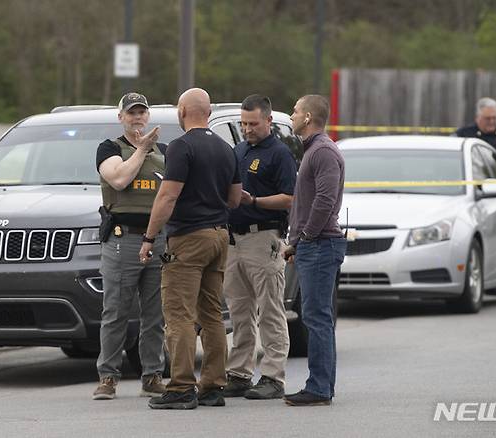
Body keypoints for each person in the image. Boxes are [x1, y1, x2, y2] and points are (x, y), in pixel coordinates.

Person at [140, 88, 242, 409]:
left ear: (182, 111)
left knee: (179, 314)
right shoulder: (227, 149)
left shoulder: (181, 147)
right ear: (208, 112)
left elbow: (167, 196)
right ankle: (213, 385)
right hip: (219, 235)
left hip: (188, 238)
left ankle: (181, 386)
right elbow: (235, 198)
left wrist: (148, 237)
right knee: (211, 313)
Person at [92, 92, 167, 400]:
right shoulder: (110, 149)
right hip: (123, 239)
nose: (137, 117)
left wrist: (151, 149)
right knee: (116, 310)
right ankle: (108, 376)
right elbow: (120, 180)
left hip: (158, 238)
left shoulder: (164, 152)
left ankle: (152, 375)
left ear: (148, 116)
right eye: (131, 113)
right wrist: (141, 150)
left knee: (155, 314)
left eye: (142, 112)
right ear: (120, 117)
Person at [222, 95, 297, 400]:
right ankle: (239, 373)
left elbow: (290, 198)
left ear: (268, 120)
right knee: (239, 311)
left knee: (270, 310)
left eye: (253, 123)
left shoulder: (279, 154)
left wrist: (254, 201)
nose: (247, 128)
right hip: (234, 240)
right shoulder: (239, 150)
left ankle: (273, 376)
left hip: (263, 238)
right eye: (243, 123)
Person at [282, 95, 346, 407]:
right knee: (316, 316)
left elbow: (325, 199)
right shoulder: (314, 150)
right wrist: (296, 242)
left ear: (307, 117)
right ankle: (321, 385)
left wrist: (305, 237)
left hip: (320, 246)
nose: (291, 116)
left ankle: (319, 387)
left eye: (294, 111)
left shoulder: (322, 151)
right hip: (312, 246)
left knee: (317, 318)